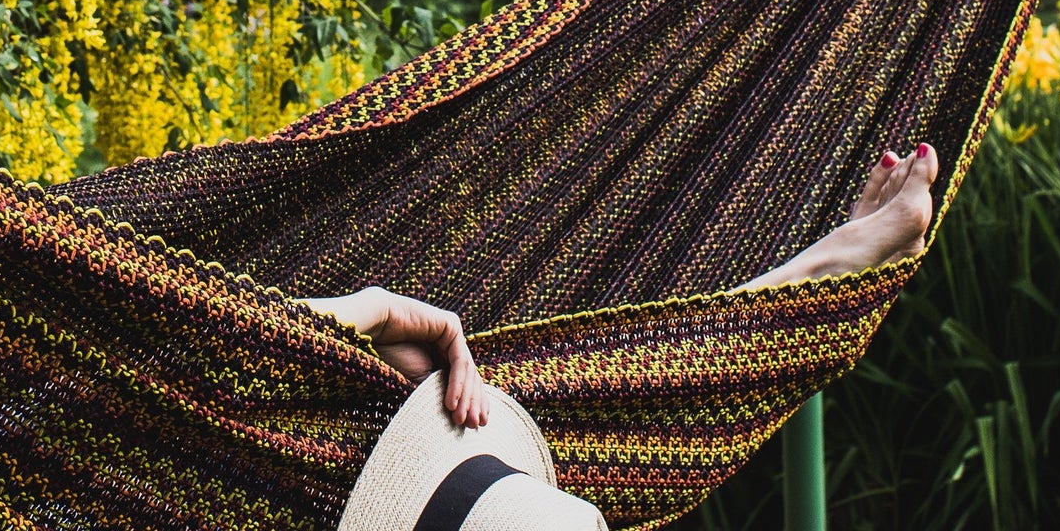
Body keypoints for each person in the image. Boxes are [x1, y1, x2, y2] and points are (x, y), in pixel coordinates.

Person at [306, 142, 939, 432]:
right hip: (464, 488)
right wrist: (419, 323)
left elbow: (347, 319)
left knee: (564, 395)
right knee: (578, 399)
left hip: (425, 453)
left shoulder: (212, 322)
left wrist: (431, 335)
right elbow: (343, 319)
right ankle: (835, 268)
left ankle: (833, 269)